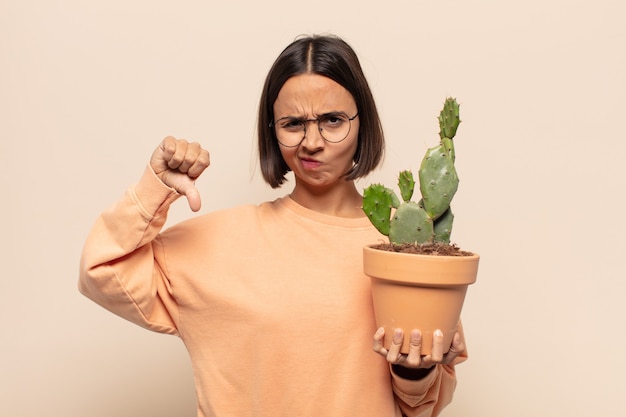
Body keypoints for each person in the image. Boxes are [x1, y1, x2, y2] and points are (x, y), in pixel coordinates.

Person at [79, 34, 467, 417]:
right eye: (293, 123)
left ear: (363, 122)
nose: (311, 141)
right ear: (272, 131)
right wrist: (156, 188)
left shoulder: (413, 249)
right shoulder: (218, 243)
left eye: (333, 121)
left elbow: (424, 406)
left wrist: (412, 371)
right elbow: (101, 270)